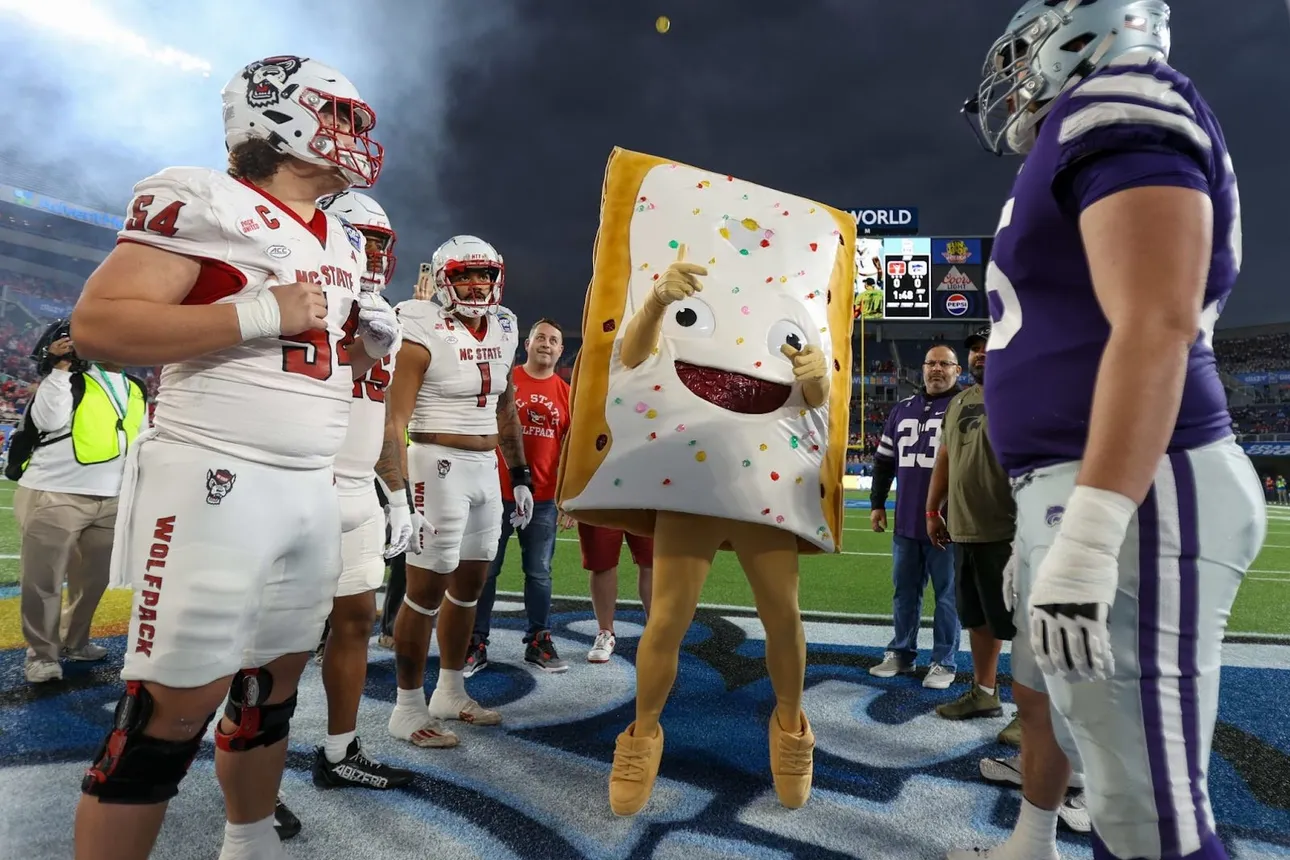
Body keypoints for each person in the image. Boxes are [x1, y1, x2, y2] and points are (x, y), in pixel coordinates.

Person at [951, 3, 1262, 859]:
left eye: (1023, 57)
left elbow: (1157, 321)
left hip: (1141, 487)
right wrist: (1044, 510)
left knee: (1147, 815)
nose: (1014, 79)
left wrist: (1088, 530)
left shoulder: (1117, 95)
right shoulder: (1071, 136)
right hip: (1085, 483)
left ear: (1076, 34)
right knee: (1117, 782)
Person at [69, 55, 399, 860]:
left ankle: (247, 843)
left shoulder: (345, 241)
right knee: (167, 714)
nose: (355, 138)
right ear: (277, 115)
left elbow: (297, 360)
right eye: (342, 118)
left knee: (270, 694)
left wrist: (359, 356)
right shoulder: (204, 198)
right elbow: (100, 326)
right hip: (215, 477)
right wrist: (253, 311)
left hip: (310, 489)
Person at [385, 235, 531, 749]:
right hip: (435, 464)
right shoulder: (420, 323)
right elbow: (395, 417)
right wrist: (398, 493)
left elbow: (505, 405)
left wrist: (520, 473)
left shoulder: (507, 324)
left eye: (485, 275)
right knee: (423, 593)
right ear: (445, 278)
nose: (477, 284)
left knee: (471, 584)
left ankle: (450, 690)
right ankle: (406, 707)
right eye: (467, 274)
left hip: (484, 468)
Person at [310, 189, 418, 791]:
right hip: (302, 481)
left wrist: (396, 495)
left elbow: (379, 418)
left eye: (379, 243)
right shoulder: (306, 294)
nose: (371, 254)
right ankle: (252, 775)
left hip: (358, 487)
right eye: (360, 240)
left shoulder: (386, 313)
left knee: (357, 619)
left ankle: (338, 749)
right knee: (274, 640)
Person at [12, 320, 149, 683]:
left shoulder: (135, 388)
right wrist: (59, 369)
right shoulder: (70, 378)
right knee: (44, 580)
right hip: (56, 492)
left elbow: (139, 439)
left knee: (93, 580)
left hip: (112, 497)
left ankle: (75, 641)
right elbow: (47, 420)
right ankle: (41, 655)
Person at [468, 318, 571, 675]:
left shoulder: (566, 394)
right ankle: (475, 641)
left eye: (553, 340)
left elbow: (569, 451)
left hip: (543, 498)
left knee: (539, 572)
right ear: (527, 343)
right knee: (486, 570)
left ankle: (539, 641)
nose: (546, 344)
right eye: (540, 337)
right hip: (495, 492)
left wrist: (567, 497)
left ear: (560, 350)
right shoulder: (503, 379)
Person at [868, 344, 961, 689]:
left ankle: (944, 661)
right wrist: (878, 503)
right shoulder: (901, 410)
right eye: (931, 363)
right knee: (904, 592)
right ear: (922, 369)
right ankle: (902, 653)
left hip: (950, 524)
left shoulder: (964, 407)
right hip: (907, 521)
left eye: (945, 364)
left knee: (948, 596)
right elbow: (884, 462)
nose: (937, 369)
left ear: (957, 370)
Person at [577, 523, 654, 663]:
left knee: (652, 559)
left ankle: (656, 631)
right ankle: (605, 633)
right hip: (601, 502)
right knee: (601, 562)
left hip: (645, 502)